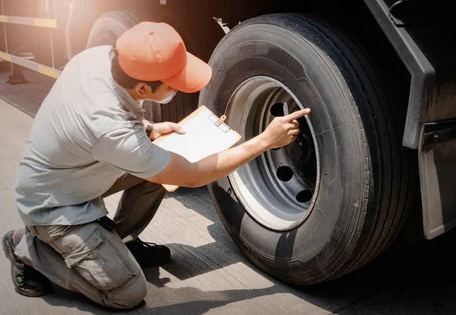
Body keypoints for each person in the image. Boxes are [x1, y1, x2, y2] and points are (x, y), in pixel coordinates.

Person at [2, 22, 310, 310]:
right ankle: (26, 248)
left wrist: (147, 129)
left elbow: (98, 119)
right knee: (127, 294)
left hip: (76, 170)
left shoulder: (98, 59)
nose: (179, 87)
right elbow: (192, 176)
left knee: (161, 160)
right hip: (54, 207)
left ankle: (120, 243)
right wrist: (264, 142)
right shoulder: (110, 129)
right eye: (174, 83)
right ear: (142, 90)